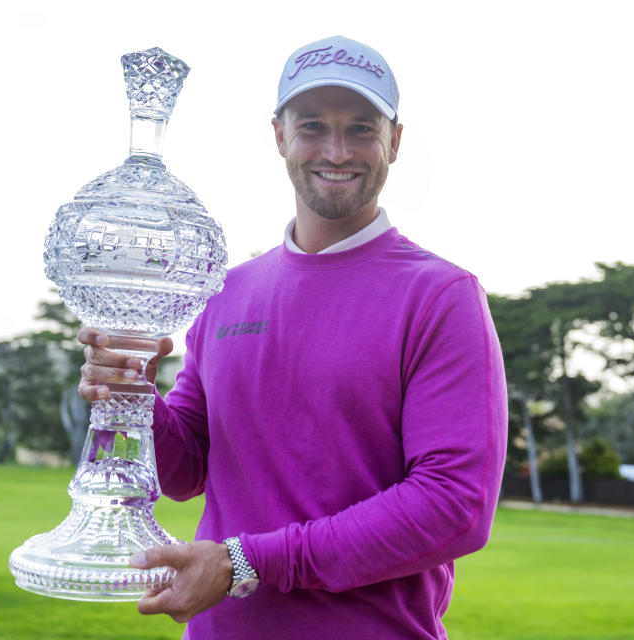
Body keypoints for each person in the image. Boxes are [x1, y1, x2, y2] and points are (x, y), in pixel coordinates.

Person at [78, 35, 507, 639]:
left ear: (395, 141)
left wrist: (245, 563)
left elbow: (453, 508)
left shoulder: (440, 297)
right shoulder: (225, 291)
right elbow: (187, 470)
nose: (337, 150)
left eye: (361, 128)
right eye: (313, 126)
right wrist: (133, 394)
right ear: (279, 135)